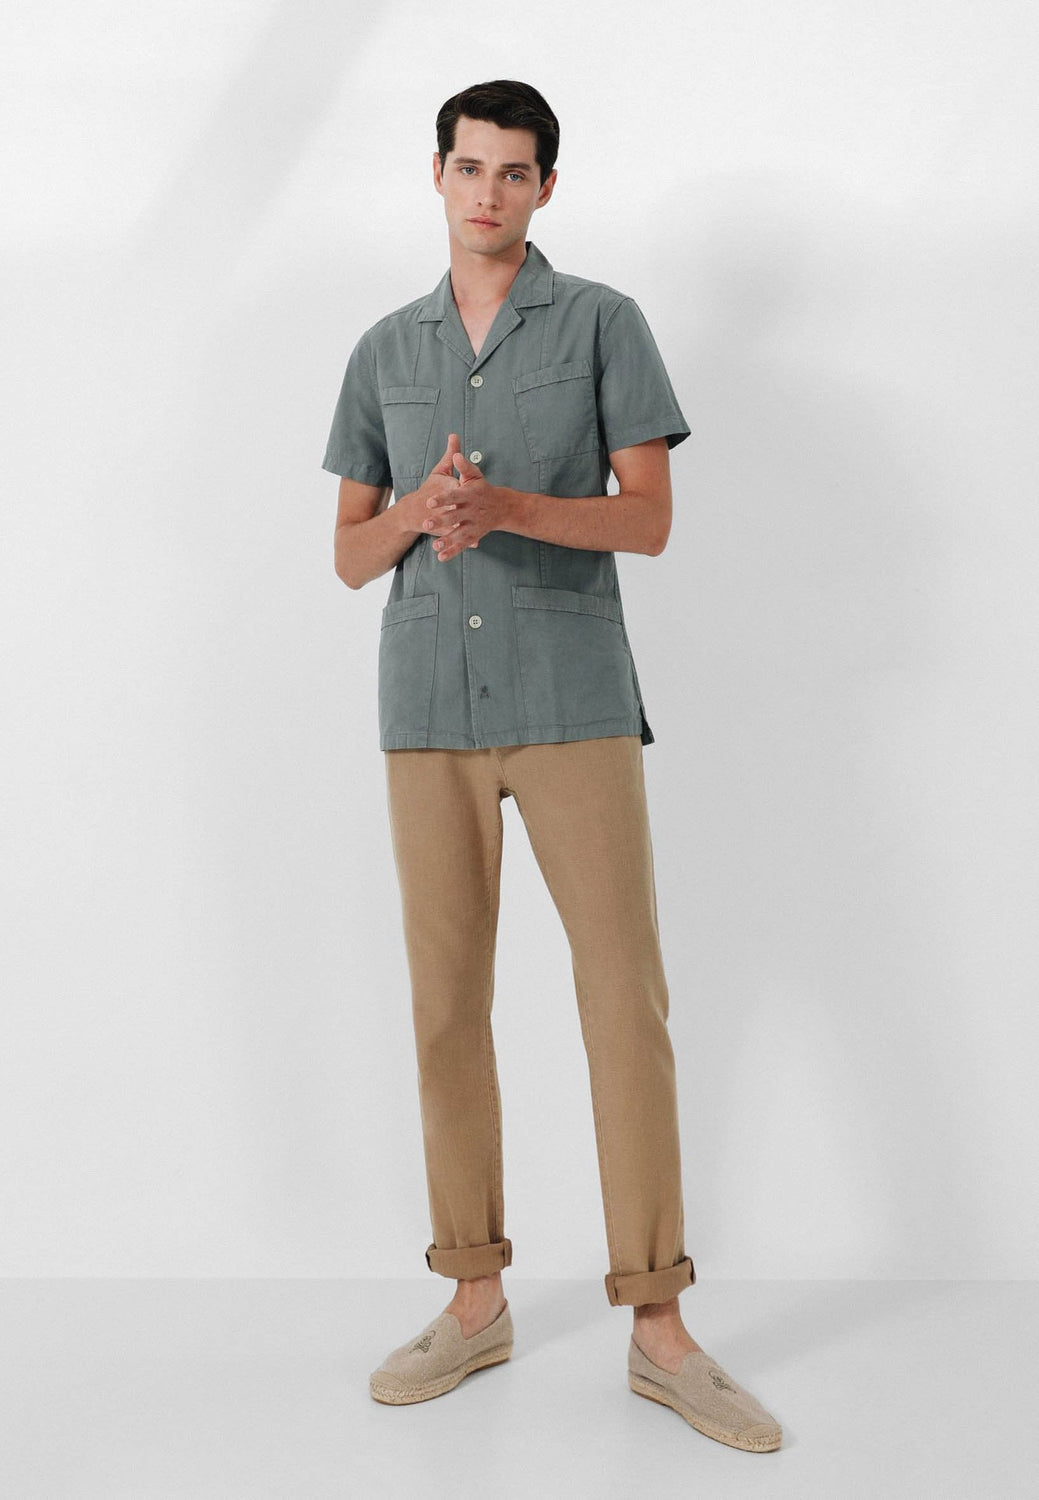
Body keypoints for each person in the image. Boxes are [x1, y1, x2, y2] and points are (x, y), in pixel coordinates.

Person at [321, 79, 782, 1452]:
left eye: (513, 173)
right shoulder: (383, 349)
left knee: (622, 1001)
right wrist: (423, 509)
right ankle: (474, 1302)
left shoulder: (602, 324)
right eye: (469, 168)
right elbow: (348, 554)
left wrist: (507, 504)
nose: (488, 193)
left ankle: (660, 1330)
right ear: (439, 174)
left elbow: (649, 521)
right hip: (428, 712)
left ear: (545, 189)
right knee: (445, 1008)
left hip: (574, 702)